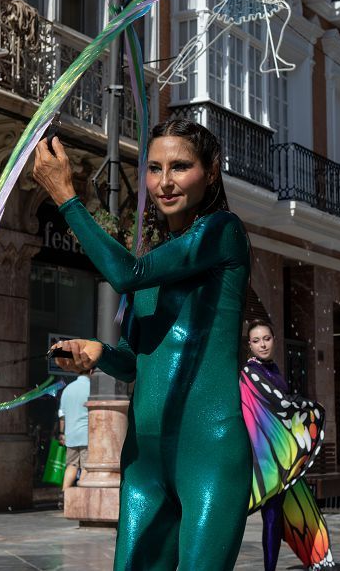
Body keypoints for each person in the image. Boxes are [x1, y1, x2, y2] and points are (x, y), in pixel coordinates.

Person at [34, 119, 252, 570]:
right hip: (145, 460)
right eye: (154, 168)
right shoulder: (154, 260)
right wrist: (98, 354)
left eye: (180, 166)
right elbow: (136, 361)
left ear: (211, 172)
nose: (164, 182)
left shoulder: (222, 232)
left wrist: (65, 199)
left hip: (208, 453)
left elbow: (124, 275)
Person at [245, 320, 333, 571]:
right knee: (271, 515)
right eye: (256, 340)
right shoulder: (250, 373)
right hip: (262, 458)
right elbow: (275, 406)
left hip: (282, 458)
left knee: (276, 516)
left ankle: (277, 565)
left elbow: (283, 408)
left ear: (274, 339)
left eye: (266, 338)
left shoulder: (273, 369)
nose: (262, 344)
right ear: (249, 345)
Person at [57, 370, 91, 490]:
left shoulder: (68, 389)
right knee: (86, 467)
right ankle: (81, 495)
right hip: (87, 435)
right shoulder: (92, 388)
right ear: (91, 371)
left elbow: (61, 414)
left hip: (70, 435)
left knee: (71, 465)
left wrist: (62, 433)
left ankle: (65, 495)